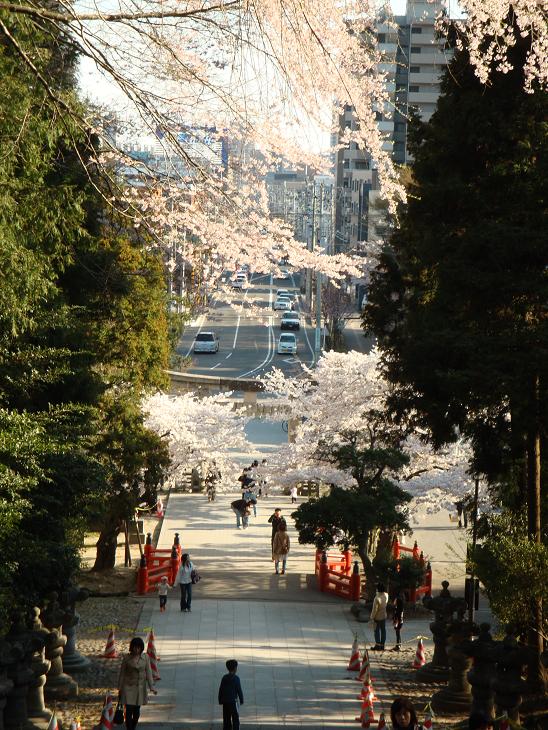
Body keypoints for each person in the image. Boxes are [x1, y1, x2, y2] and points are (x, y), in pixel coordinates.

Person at [118, 637, 157, 730]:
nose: (136, 649)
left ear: (141, 648)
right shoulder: (127, 658)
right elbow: (122, 673)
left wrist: (152, 687)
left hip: (140, 688)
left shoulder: (145, 658)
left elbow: (149, 672)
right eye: (135, 647)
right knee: (128, 711)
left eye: (138, 648)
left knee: (136, 712)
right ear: (132, 647)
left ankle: (133, 726)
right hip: (128, 687)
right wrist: (119, 688)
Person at [218, 659, 244, 730]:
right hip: (233, 702)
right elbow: (239, 690)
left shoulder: (224, 678)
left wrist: (220, 700)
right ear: (235, 668)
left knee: (226, 719)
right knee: (235, 719)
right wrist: (241, 700)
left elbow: (221, 689)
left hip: (225, 702)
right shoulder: (236, 678)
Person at [370, 582, 389, 651]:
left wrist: (372, 617)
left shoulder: (377, 598)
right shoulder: (386, 595)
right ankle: (382, 645)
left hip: (377, 617)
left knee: (376, 631)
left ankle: (378, 645)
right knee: (383, 630)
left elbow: (374, 609)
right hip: (384, 615)